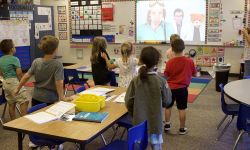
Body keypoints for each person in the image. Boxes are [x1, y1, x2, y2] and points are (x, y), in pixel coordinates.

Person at [125, 46, 172, 150]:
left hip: (139, 123)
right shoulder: (161, 81)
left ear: (141, 60)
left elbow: (128, 102)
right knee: (156, 147)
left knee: (138, 146)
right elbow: (167, 101)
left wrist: (135, 113)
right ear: (158, 61)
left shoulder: (135, 81)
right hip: (155, 123)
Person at [14, 35, 72, 106]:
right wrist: (62, 97)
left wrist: (17, 88)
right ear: (56, 49)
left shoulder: (36, 61)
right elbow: (59, 83)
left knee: (36, 116)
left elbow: (26, 76)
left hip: (36, 97)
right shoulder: (58, 64)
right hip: (50, 99)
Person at [164, 39, 197, 135]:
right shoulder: (189, 61)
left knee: (168, 107)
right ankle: (182, 129)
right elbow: (195, 74)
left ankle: (167, 125)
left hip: (170, 88)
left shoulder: (169, 62)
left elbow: (166, 75)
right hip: (182, 89)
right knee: (182, 109)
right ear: (184, 48)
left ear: (172, 49)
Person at [0, 39, 29, 120]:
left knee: (11, 103)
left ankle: (13, 123)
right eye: (14, 46)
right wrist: (21, 83)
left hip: (5, 83)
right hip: (14, 82)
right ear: (12, 49)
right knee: (25, 100)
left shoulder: (0, 59)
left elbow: (1, 74)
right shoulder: (15, 59)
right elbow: (19, 73)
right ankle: (24, 121)